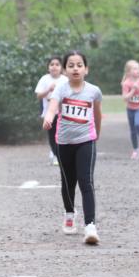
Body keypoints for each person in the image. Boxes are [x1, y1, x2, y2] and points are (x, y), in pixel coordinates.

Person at [42, 51, 103, 243]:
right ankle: (69, 214)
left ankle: (90, 226)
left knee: (86, 181)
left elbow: (98, 115)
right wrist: (49, 118)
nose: (75, 68)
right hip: (64, 142)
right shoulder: (61, 89)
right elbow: (52, 106)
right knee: (68, 182)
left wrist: (97, 134)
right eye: (71, 65)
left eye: (79, 65)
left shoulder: (94, 91)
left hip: (86, 140)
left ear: (86, 69)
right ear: (65, 70)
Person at [35, 56, 64, 165]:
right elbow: (38, 96)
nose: (54, 67)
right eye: (52, 64)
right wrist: (48, 90)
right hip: (49, 113)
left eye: (57, 64)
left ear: (61, 67)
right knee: (52, 135)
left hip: (63, 113)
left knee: (61, 134)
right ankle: (55, 154)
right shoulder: (44, 79)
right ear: (48, 67)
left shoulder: (65, 80)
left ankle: (59, 154)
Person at [121, 60, 139, 160]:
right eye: (135, 68)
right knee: (133, 131)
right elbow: (125, 98)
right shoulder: (126, 83)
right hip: (130, 109)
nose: (138, 70)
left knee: (138, 124)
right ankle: (135, 150)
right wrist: (133, 89)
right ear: (129, 72)